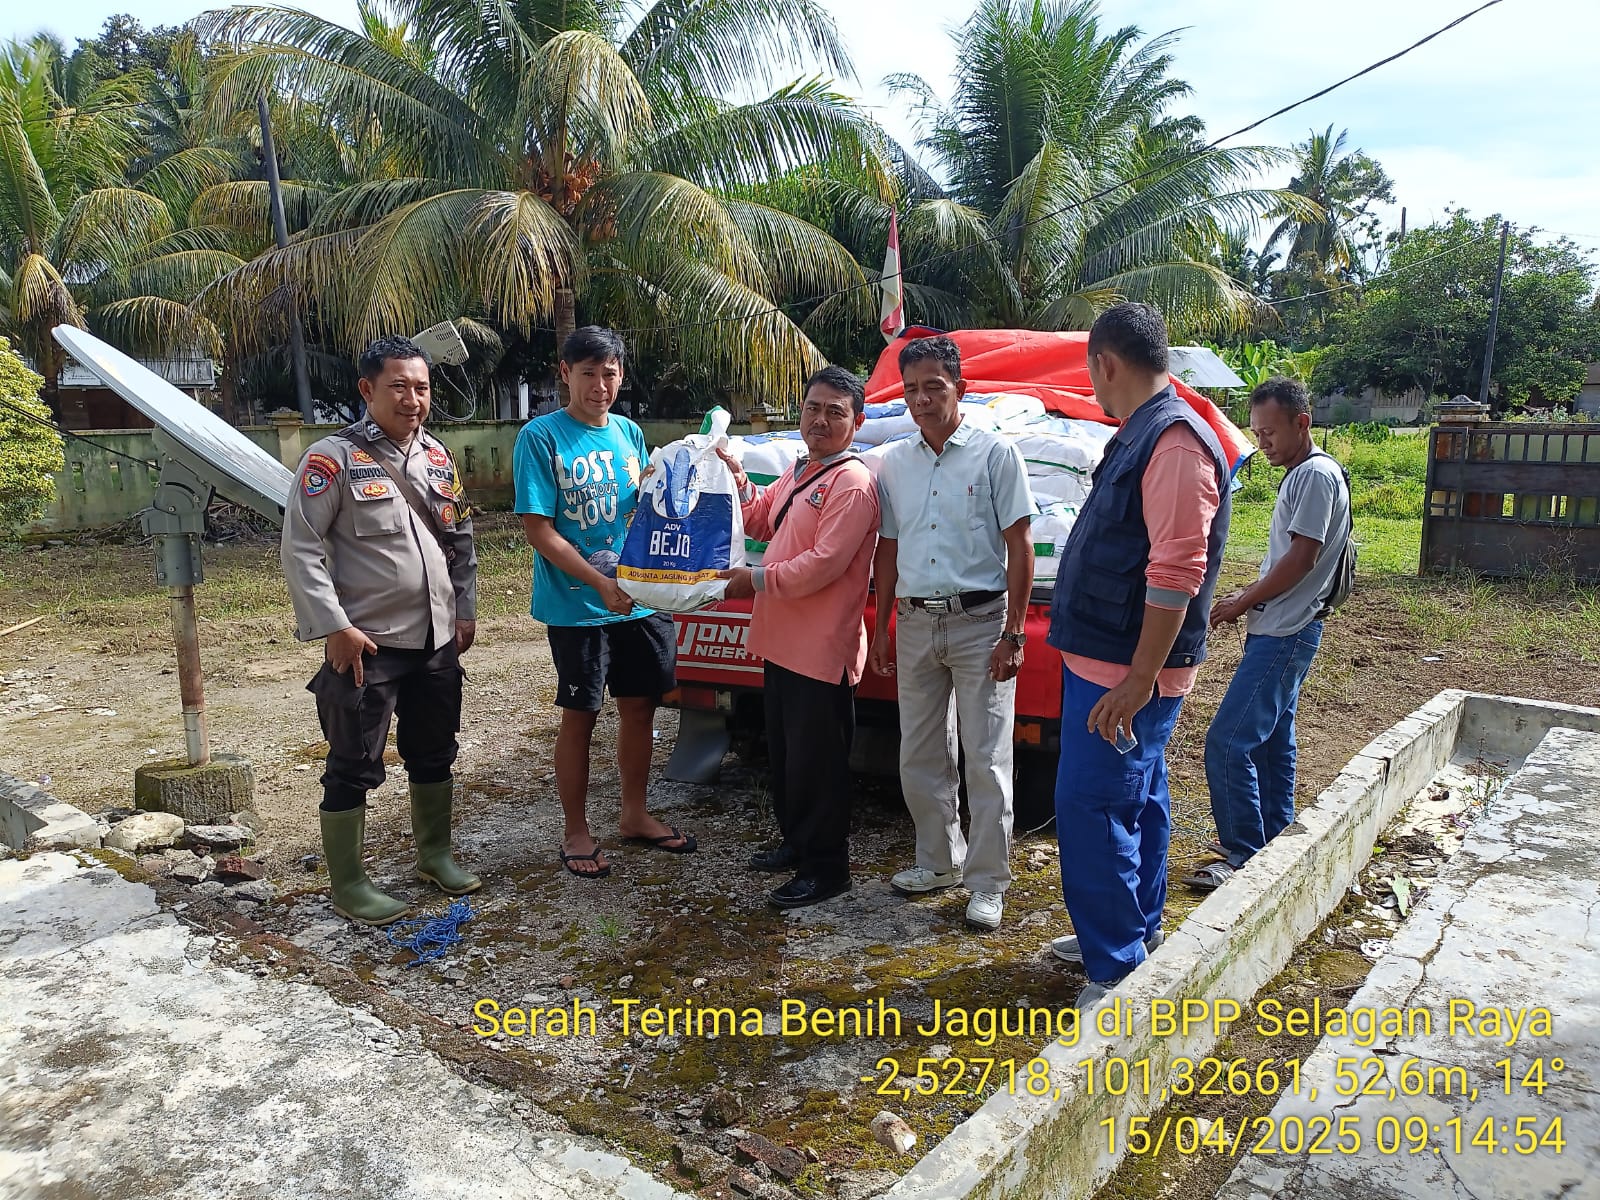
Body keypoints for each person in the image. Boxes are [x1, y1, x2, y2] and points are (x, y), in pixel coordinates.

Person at [1044, 302, 1231, 1007]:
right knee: (1138, 797)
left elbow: (1176, 571)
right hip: (1110, 659)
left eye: (1091, 373)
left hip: (1127, 671)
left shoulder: (1174, 442)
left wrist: (1140, 679)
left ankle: (1116, 965)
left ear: (1106, 364)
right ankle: (1131, 930)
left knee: (1095, 807)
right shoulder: (1143, 432)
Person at [281, 335, 481, 926]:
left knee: (434, 751)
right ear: (368, 390)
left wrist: (463, 610)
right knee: (353, 762)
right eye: (399, 386)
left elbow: (460, 541)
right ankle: (349, 884)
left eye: (421, 387)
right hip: (367, 644)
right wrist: (333, 626)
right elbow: (301, 547)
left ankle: (434, 855)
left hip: (436, 640)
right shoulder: (332, 460)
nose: (412, 399)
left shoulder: (437, 457)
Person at [513, 326, 694, 879]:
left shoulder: (629, 432)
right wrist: (598, 582)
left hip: (640, 602)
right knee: (581, 716)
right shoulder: (541, 437)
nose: (599, 386)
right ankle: (576, 830)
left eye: (609, 374)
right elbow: (539, 530)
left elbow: (647, 508)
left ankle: (634, 814)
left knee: (640, 708)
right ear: (565, 374)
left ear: (621, 376)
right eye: (587, 374)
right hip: (579, 606)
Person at [869, 335, 1035, 931]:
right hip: (916, 622)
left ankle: (987, 883)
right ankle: (937, 862)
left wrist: (1014, 633)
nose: (921, 399)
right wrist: (883, 624)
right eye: (911, 389)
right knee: (919, 753)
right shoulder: (895, 463)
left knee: (986, 758)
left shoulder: (995, 454)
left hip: (980, 623)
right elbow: (889, 548)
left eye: (934, 387)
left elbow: (1020, 545)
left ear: (959, 388)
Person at [715, 367, 880, 909]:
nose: (821, 420)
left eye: (836, 412)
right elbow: (762, 520)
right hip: (782, 642)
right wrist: (738, 478)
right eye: (813, 408)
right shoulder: (801, 468)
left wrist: (755, 579)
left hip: (821, 649)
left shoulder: (852, 484)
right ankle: (796, 842)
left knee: (819, 765)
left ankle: (827, 868)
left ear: (857, 422)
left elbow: (824, 565)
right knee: (787, 756)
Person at [1191, 376, 1350, 890]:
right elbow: (1292, 558)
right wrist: (1252, 595)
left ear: (1302, 423)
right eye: (1257, 434)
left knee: (1227, 742)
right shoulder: (1307, 474)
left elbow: (1302, 558)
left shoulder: (1314, 476)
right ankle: (1276, 845)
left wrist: (1243, 600)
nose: (1262, 443)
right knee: (1272, 743)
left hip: (1287, 631)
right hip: (1285, 627)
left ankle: (1241, 853)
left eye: (1270, 433)